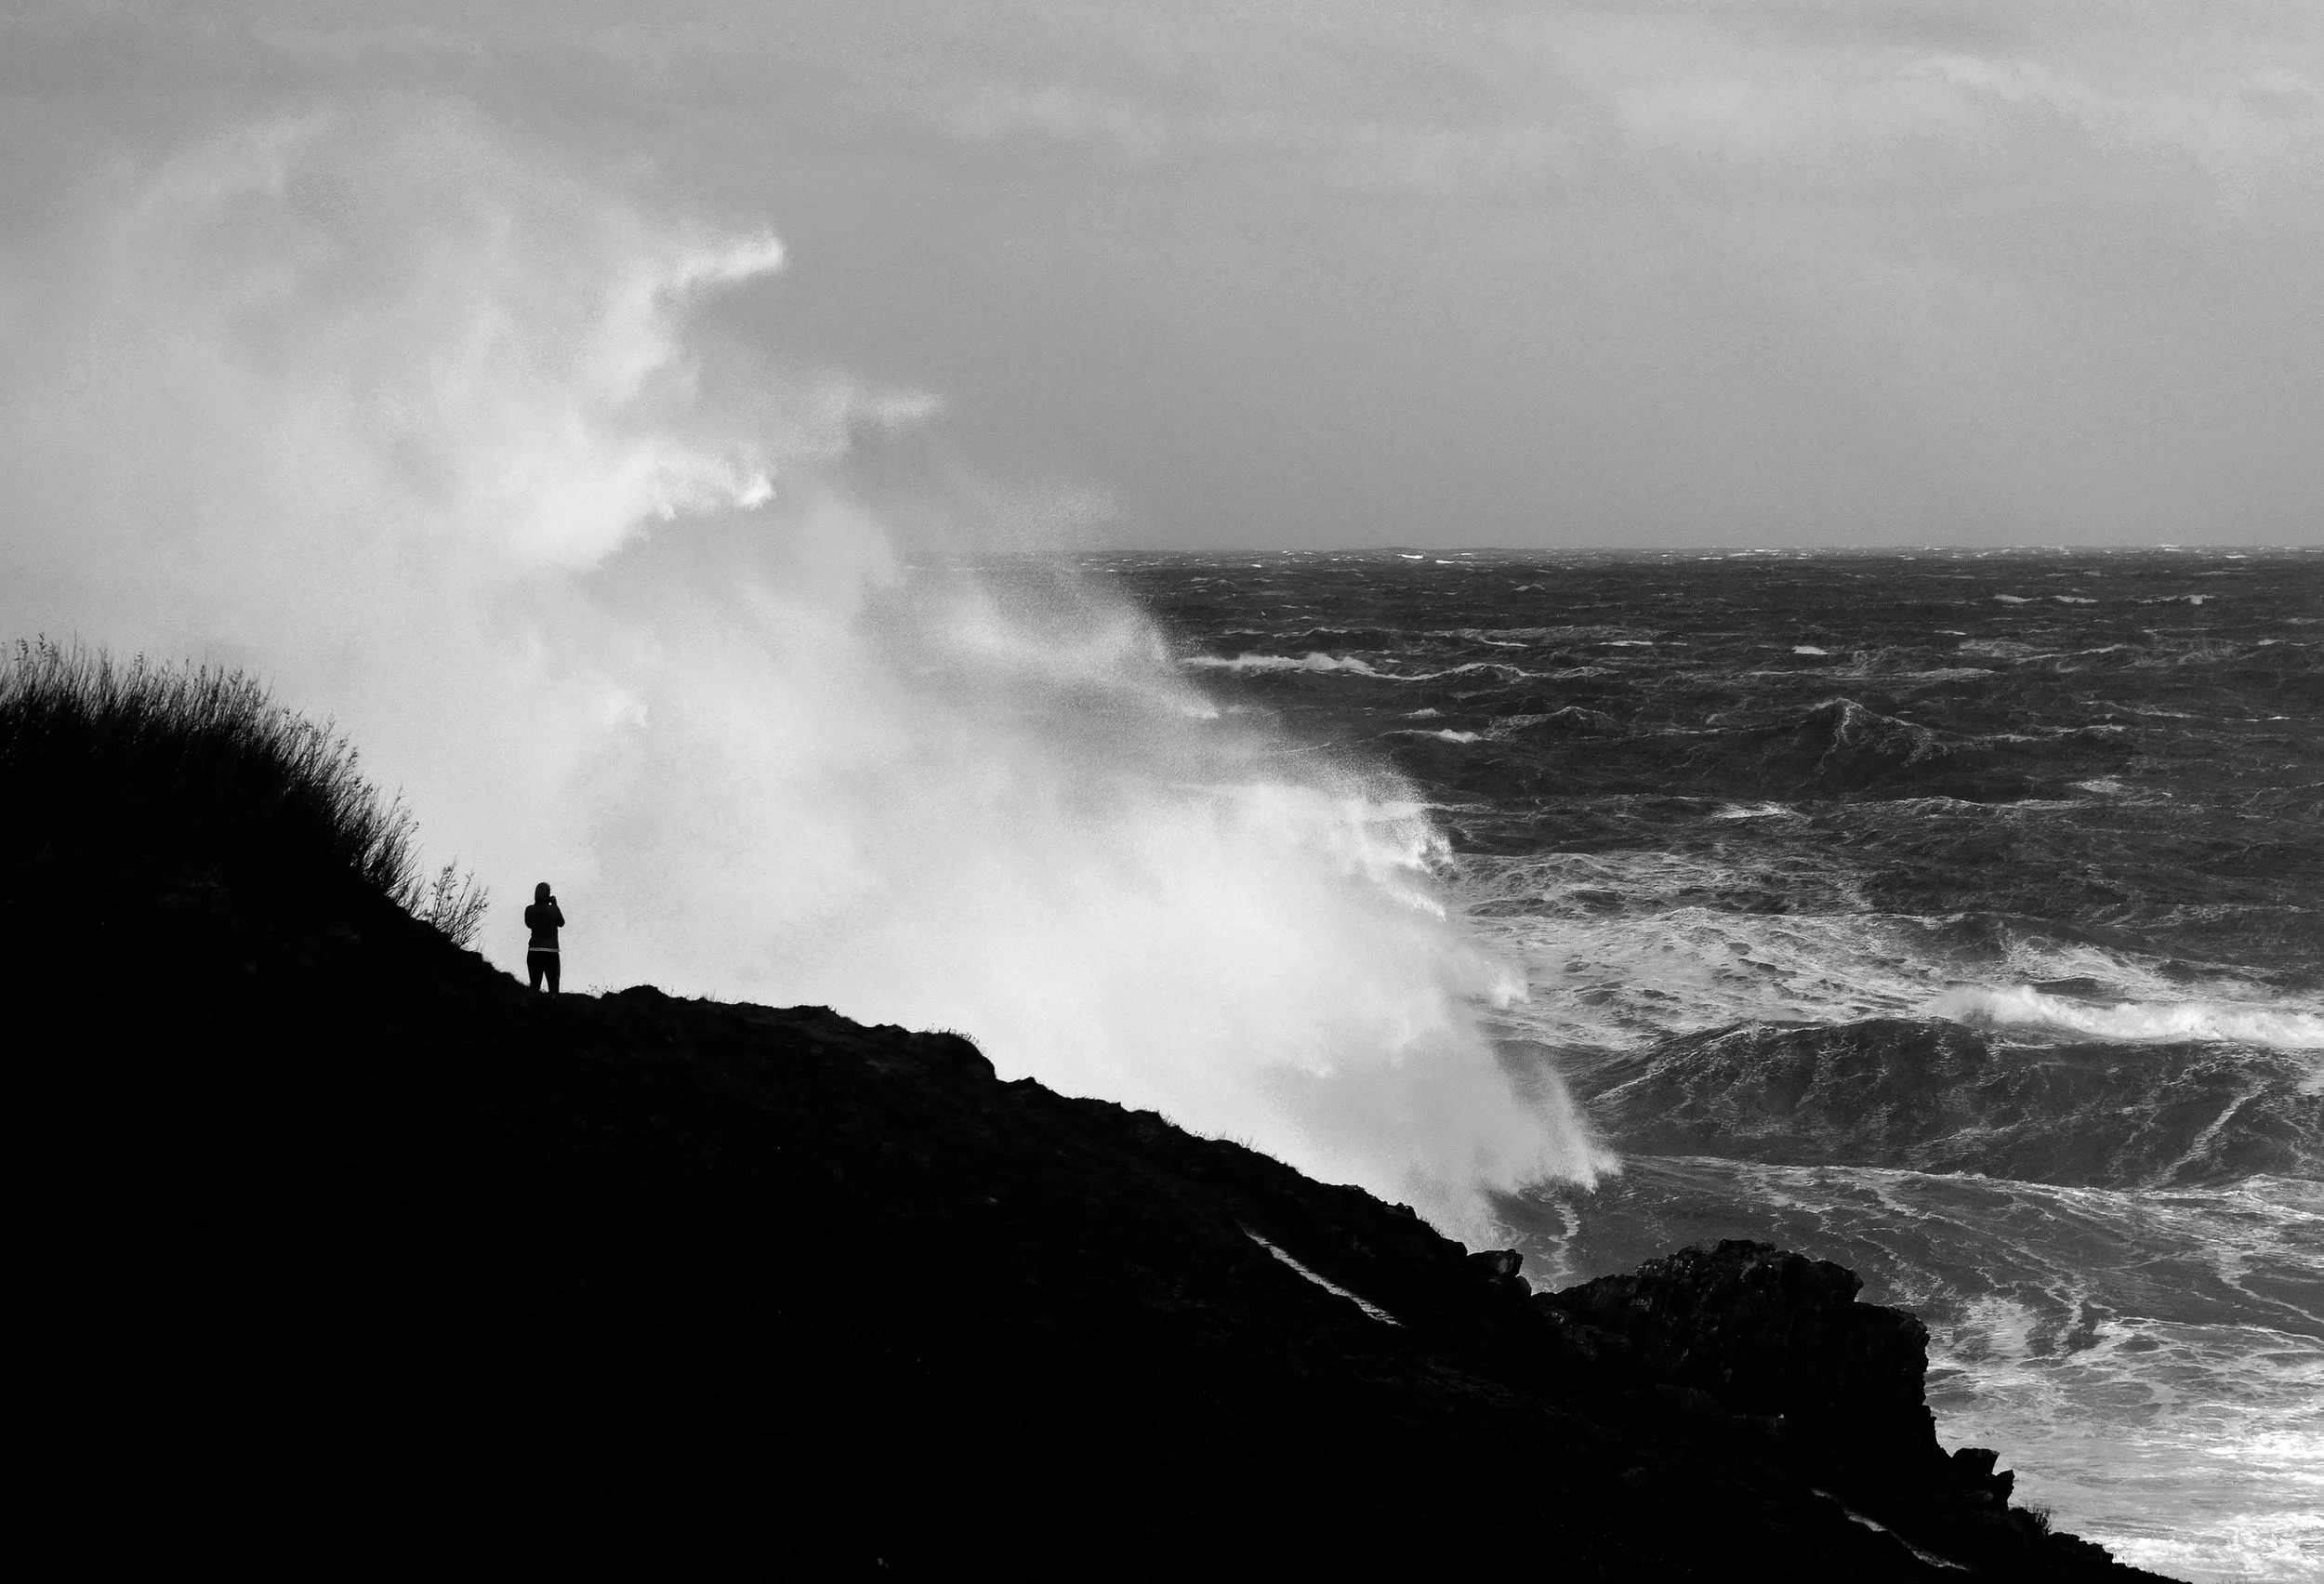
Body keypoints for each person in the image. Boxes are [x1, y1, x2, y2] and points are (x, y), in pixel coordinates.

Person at [523, 881, 565, 994]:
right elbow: (561, 923)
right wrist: (555, 905)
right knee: (553, 988)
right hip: (551, 951)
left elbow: (528, 924)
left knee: (534, 986)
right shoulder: (554, 909)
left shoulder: (529, 909)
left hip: (534, 950)